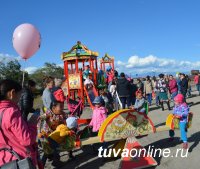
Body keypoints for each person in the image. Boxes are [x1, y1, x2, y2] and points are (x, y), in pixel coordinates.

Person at [0, 79, 38, 167]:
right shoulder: (11, 112)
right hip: (20, 159)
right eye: (19, 94)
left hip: (5, 160)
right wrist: (32, 123)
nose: (19, 98)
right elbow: (27, 140)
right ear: (12, 93)